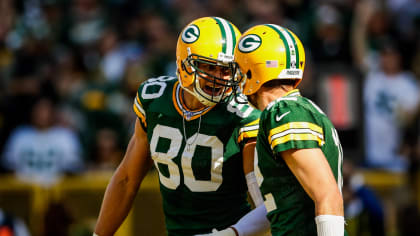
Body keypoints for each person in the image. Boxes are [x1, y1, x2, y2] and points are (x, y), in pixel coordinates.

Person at [94, 17, 270, 236]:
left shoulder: (242, 116)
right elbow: (127, 179)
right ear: (185, 64)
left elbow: (265, 203)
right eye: (210, 67)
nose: (220, 78)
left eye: (227, 69)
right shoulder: (155, 99)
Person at [234, 24, 345, 235]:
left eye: (240, 69)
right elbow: (280, 207)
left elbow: (327, 195)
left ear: (254, 69)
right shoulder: (290, 110)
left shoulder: (284, 112)